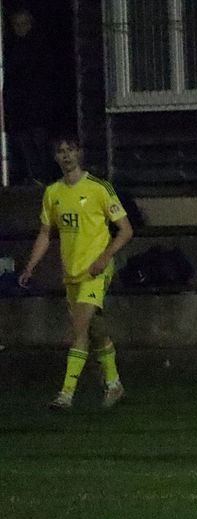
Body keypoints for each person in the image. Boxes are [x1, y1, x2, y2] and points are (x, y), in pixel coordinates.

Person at [18, 137, 133, 409]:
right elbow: (46, 232)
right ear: (55, 157)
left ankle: (66, 394)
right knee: (96, 329)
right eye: (61, 151)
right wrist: (30, 266)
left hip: (96, 270)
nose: (66, 156)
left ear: (79, 153)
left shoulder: (98, 188)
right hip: (72, 272)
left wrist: (104, 258)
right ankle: (114, 384)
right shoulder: (53, 193)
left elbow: (126, 230)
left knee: (79, 328)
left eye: (70, 150)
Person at [4, 8, 56, 184]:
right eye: (17, 25)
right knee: (24, 143)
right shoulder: (11, 48)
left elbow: (46, 77)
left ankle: (45, 177)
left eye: (24, 24)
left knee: (40, 142)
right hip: (20, 107)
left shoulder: (40, 46)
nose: (20, 28)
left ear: (30, 24)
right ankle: (33, 177)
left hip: (38, 106)